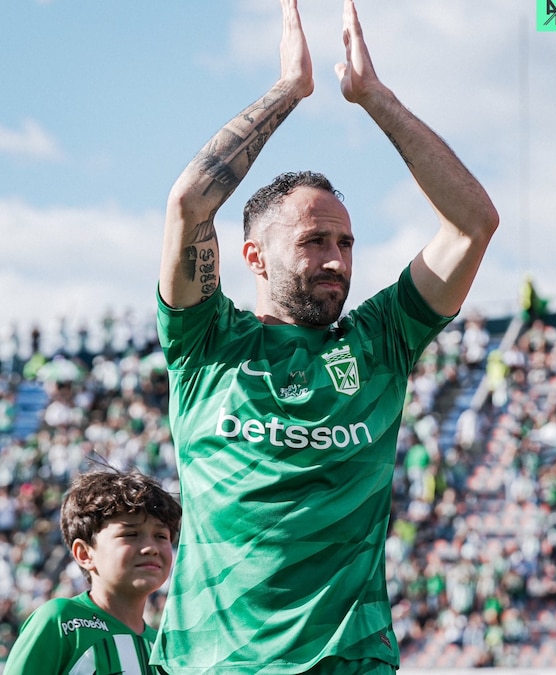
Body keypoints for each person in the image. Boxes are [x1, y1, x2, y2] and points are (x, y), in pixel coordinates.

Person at [150, 1, 498, 673]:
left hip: (349, 661)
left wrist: (374, 99)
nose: (337, 259)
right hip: (212, 663)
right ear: (253, 257)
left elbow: (473, 224)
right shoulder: (206, 342)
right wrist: (290, 90)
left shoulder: (381, 341)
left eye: (346, 242)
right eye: (314, 241)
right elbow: (190, 203)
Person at [6, 468, 182, 674]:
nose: (151, 548)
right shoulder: (61, 621)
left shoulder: (164, 651)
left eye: (161, 536)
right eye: (131, 534)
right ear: (84, 554)